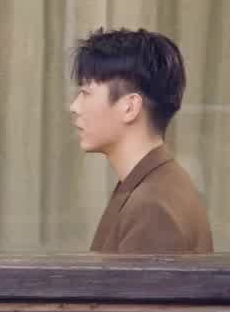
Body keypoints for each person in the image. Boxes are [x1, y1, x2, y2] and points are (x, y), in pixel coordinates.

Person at [71, 26, 212, 254]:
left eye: (86, 93)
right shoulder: (152, 184)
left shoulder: (152, 208)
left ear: (130, 107)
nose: (75, 107)